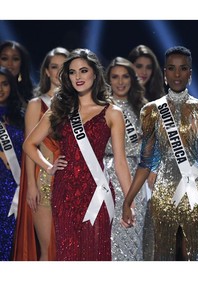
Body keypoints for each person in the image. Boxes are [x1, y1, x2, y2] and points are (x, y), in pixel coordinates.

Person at [121, 46, 198, 261]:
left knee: (196, 256)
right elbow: (146, 163)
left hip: (196, 192)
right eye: (172, 69)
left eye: (183, 69)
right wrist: (128, 201)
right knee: (162, 257)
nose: (177, 74)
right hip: (163, 193)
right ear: (164, 73)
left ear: (190, 74)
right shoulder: (151, 111)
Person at [22, 48, 132, 261]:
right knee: (68, 257)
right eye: (72, 72)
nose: (78, 77)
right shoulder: (60, 109)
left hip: (97, 193)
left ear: (95, 74)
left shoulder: (112, 112)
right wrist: (48, 166)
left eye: (83, 71)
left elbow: (120, 162)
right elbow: (29, 145)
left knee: (96, 255)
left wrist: (129, 202)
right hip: (64, 193)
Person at [13, 47, 70, 261]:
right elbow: (29, 148)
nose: (59, 72)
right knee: (48, 248)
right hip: (45, 180)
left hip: (74, 182)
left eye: (64, 67)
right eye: (54, 67)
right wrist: (31, 186)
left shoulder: (79, 104)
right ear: (46, 71)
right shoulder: (36, 105)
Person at [104, 57, 148, 260]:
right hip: (106, 176)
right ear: (107, 80)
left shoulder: (144, 109)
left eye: (125, 76)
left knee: (133, 233)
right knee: (108, 235)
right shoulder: (101, 108)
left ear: (132, 79)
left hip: (136, 175)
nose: (120, 82)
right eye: (115, 77)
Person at [128, 44, 164, 260]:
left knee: (149, 235)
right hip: (122, 171)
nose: (143, 71)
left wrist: (155, 168)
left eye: (148, 67)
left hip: (152, 175)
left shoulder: (159, 101)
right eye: (138, 65)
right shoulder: (117, 100)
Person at [0, 66, 25, 260]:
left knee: (12, 240)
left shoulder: (21, 115)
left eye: (5, 84)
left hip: (15, 189)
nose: (0, 89)